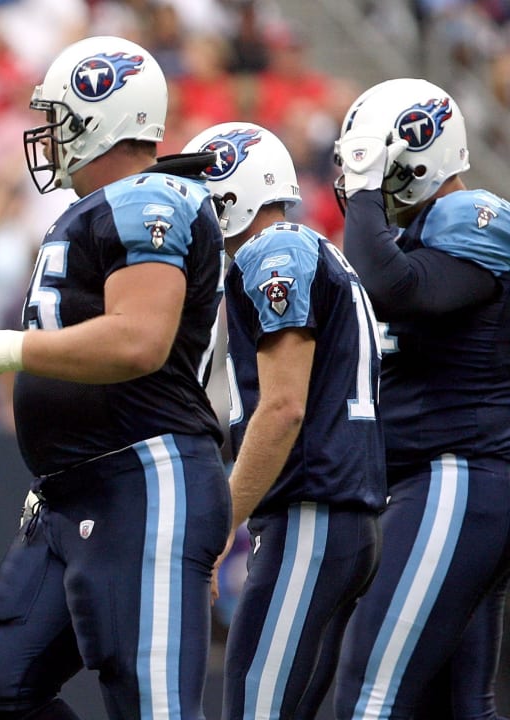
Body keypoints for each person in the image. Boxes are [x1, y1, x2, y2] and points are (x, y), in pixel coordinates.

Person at [0, 35, 232, 719]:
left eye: (58, 116)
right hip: (76, 492)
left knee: (150, 706)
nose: (46, 134)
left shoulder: (146, 198)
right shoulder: (98, 210)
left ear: (100, 113)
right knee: (3, 684)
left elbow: (138, 340)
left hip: (144, 480)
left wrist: (5, 350)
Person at [182, 122, 385, 718]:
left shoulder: (276, 251)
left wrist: (220, 528)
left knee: (255, 709)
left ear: (230, 189)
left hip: (313, 520)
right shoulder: (301, 248)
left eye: (200, 184)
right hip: (329, 519)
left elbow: (282, 407)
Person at [332, 77, 510, 719]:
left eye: (375, 157)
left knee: (371, 698)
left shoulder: (469, 215)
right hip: (450, 481)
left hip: (458, 475)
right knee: (457, 709)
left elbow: (395, 290)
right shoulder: (425, 233)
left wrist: (361, 193)